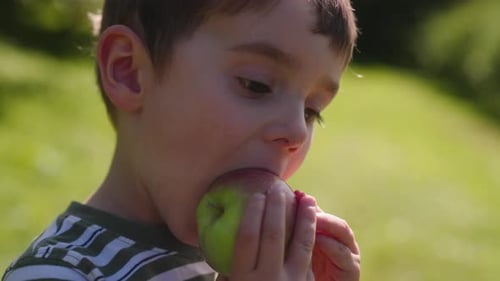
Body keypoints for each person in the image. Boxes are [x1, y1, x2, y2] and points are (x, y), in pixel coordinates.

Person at [3, 0, 360, 280]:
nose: (297, 131)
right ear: (129, 71)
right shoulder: (60, 272)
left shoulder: (240, 263)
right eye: (257, 84)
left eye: (313, 111)